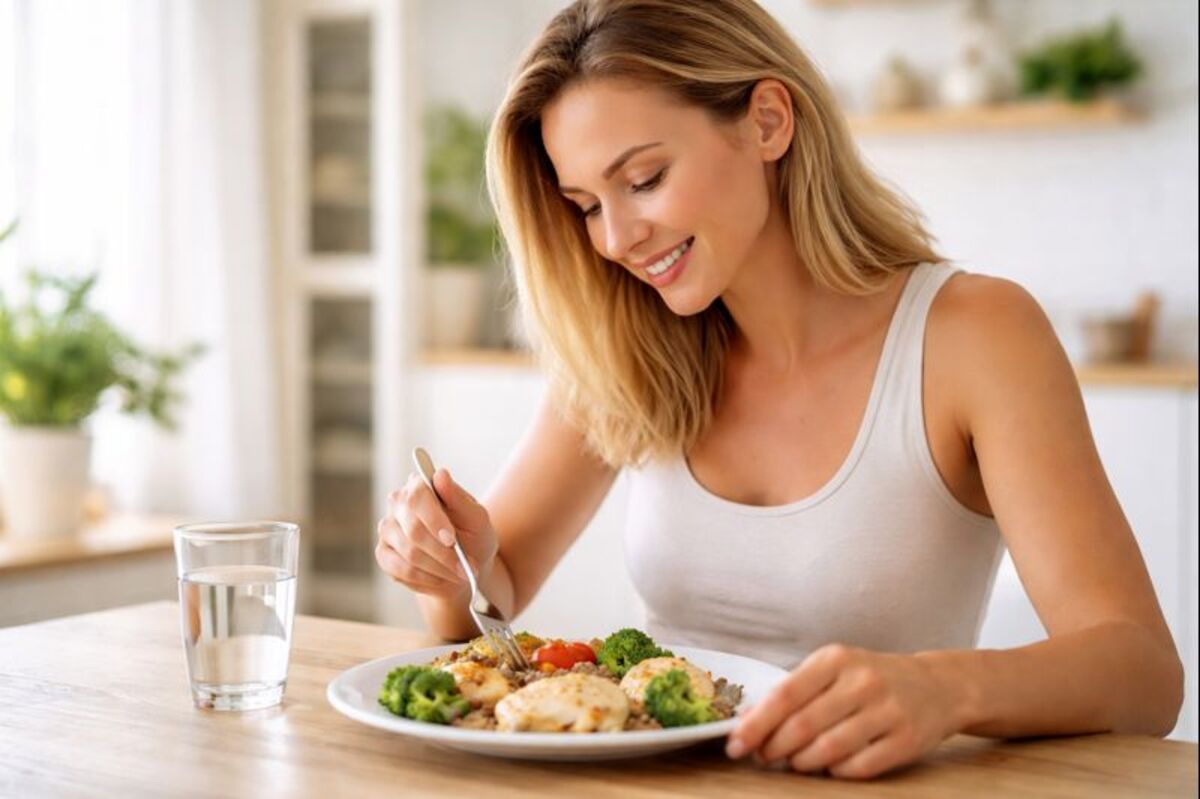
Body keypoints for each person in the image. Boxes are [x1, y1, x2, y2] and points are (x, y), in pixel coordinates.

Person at [375, 0, 1183, 779]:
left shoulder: (973, 335)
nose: (616, 240)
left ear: (768, 120)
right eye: (586, 206)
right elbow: (491, 600)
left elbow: (1144, 671)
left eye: (645, 179)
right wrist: (452, 571)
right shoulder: (625, 344)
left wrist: (948, 687)